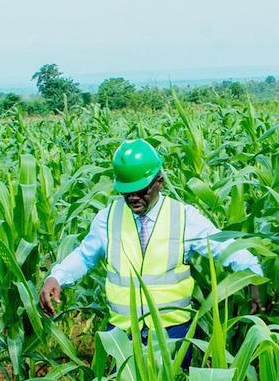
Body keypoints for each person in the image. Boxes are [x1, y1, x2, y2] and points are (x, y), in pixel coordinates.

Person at [38, 139, 263, 360]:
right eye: (126, 192)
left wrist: (254, 275)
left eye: (140, 190)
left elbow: (226, 246)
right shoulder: (107, 218)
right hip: (122, 334)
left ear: (159, 182)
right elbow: (84, 256)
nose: (133, 198)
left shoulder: (184, 217)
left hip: (172, 333)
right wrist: (57, 277)